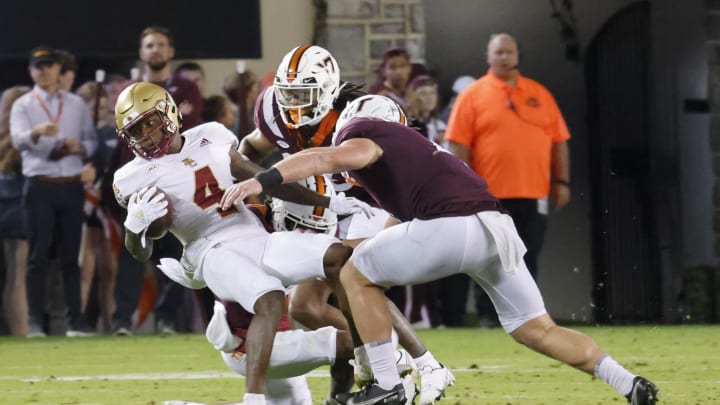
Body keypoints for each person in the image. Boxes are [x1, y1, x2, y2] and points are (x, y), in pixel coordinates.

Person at [222, 94, 660, 405]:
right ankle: (629, 383)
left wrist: (262, 180)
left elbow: (328, 159)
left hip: (452, 227)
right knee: (536, 329)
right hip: (496, 229)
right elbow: (396, 228)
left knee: (355, 272)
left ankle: (388, 384)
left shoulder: (366, 130)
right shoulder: (419, 156)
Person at [111, 81, 371, 404]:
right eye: (135, 131)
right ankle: (254, 399)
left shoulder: (211, 137)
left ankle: (371, 362)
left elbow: (266, 180)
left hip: (252, 237)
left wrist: (329, 203)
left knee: (338, 256)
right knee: (270, 295)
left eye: (149, 123)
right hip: (209, 249)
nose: (146, 135)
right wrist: (134, 229)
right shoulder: (133, 177)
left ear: (169, 113)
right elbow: (140, 253)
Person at [240, 44, 453, 405]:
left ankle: (421, 361)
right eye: (287, 92)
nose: (291, 103)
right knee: (304, 307)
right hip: (326, 205)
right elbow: (251, 147)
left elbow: (406, 175)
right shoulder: (274, 111)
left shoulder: (359, 116)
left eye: (301, 94)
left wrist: (391, 225)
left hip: (372, 204)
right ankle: (366, 359)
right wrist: (247, 189)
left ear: (325, 89)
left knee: (355, 277)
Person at [445, 33, 571, 281]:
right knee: (491, 256)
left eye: (509, 51)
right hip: (490, 196)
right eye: (498, 52)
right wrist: (465, 190)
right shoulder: (472, 95)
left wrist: (562, 182)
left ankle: (529, 316)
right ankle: (487, 317)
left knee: (530, 252)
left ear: (517, 56)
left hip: (535, 193)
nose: (504, 56)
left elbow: (560, 141)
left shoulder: (540, 94)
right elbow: (458, 145)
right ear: (487, 57)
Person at [10, 46, 98, 338]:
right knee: (36, 257)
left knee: (71, 258)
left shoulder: (75, 104)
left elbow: (91, 140)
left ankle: (75, 322)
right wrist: (38, 134)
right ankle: (36, 321)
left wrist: (81, 148)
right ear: (31, 71)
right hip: (40, 184)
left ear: (58, 70)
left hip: (70, 184)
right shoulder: (24, 104)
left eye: (49, 66)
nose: (44, 71)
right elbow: (18, 139)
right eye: (39, 67)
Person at [0, 85, 31, 337]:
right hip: (16, 209)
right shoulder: (24, 139)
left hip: (9, 208)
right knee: (17, 274)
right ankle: (21, 332)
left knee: (14, 275)